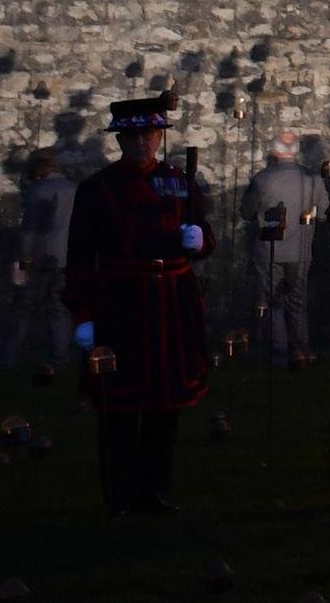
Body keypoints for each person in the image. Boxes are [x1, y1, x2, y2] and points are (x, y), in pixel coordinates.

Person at [63, 95, 213, 515]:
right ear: (121, 140)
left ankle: (156, 490)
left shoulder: (180, 181)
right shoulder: (97, 190)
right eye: (134, 136)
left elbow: (205, 232)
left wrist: (199, 241)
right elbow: (79, 257)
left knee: (165, 405)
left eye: (149, 135)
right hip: (122, 305)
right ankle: (120, 493)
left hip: (170, 303)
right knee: (121, 404)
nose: (142, 143)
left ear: (159, 137)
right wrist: (83, 315)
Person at [245, 135, 330, 368]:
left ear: (274, 150)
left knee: (272, 301)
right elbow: (324, 212)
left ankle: (279, 353)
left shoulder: (263, 178)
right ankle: (300, 350)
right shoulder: (312, 179)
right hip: (300, 249)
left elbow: (246, 211)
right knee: (298, 301)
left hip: (269, 248)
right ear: (296, 151)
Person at [4, 148, 76, 366]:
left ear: (36, 173)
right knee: (59, 310)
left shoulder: (38, 191)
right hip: (67, 260)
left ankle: (10, 358)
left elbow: (30, 232)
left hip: (40, 260)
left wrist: (23, 264)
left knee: (24, 310)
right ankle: (62, 360)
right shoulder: (76, 189)